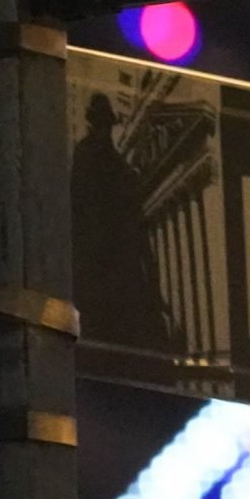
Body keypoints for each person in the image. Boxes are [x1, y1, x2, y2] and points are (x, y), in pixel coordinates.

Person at [70, 91, 171, 349]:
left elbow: (136, 230)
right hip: (105, 271)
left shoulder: (104, 164)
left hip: (103, 271)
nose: (102, 129)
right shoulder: (111, 166)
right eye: (101, 123)